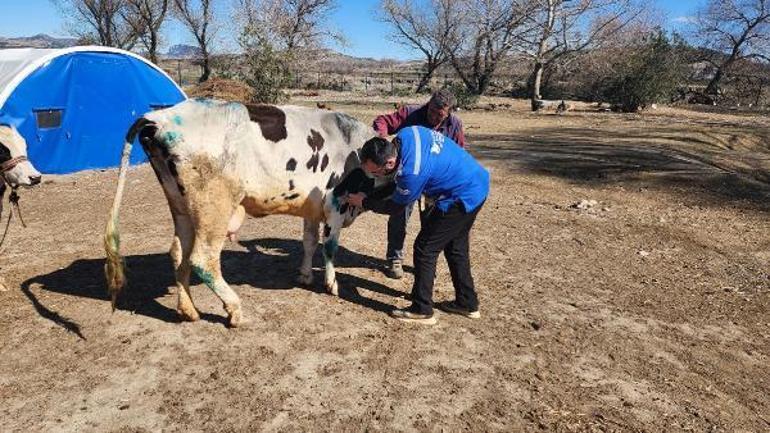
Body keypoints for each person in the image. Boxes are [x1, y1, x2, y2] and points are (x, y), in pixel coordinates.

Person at [345, 126, 489, 325]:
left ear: (389, 162)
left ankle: (422, 309)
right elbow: (395, 186)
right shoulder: (406, 135)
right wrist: (370, 196)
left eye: (376, 173)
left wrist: (364, 202)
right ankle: (467, 303)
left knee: (425, 248)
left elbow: (396, 206)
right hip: (476, 181)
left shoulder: (412, 172)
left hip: (462, 194)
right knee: (456, 248)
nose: (375, 177)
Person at [372, 89, 467, 280]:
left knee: (432, 223)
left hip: (434, 184)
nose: (432, 116)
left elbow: (459, 153)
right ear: (428, 104)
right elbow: (383, 121)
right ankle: (394, 258)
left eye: (438, 115)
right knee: (398, 216)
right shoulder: (411, 113)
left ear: (448, 113)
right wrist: (381, 139)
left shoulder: (455, 125)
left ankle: (424, 263)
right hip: (408, 178)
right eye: (431, 110)